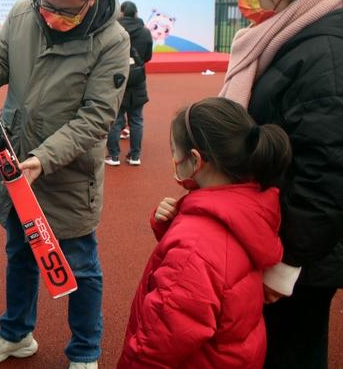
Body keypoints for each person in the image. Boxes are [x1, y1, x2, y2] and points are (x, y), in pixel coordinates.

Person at [0, 0, 130, 368]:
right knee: (19, 253)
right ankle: (16, 333)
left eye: (65, 12)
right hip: (14, 161)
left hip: (67, 174)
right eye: (46, 6)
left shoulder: (113, 41)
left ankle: (85, 352)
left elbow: (96, 118)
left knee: (80, 266)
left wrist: (44, 159)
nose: (51, 17)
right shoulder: (23, 14)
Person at [220, 0, 343, 368]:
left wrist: (286, 263)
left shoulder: (323, 52)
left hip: (298, 252)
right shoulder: (288, 33)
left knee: (290, 350)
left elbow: (326, 172)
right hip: (276, 233)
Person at [118, 97, 292, 368]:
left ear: (196, 160)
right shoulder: (251, 206)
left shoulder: (193, 248)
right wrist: (172, 225)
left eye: (173, 151)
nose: (173, 159)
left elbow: (158, 345)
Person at [105, 1, 153, 166]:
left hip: (118, 79)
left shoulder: (113, 31)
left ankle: (114, 156)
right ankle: (135, 156)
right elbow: (147, 57)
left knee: (116, 119)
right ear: (136, 13)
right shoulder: (145, 32)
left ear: (122, 13)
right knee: (137, 119)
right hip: (138, 79)